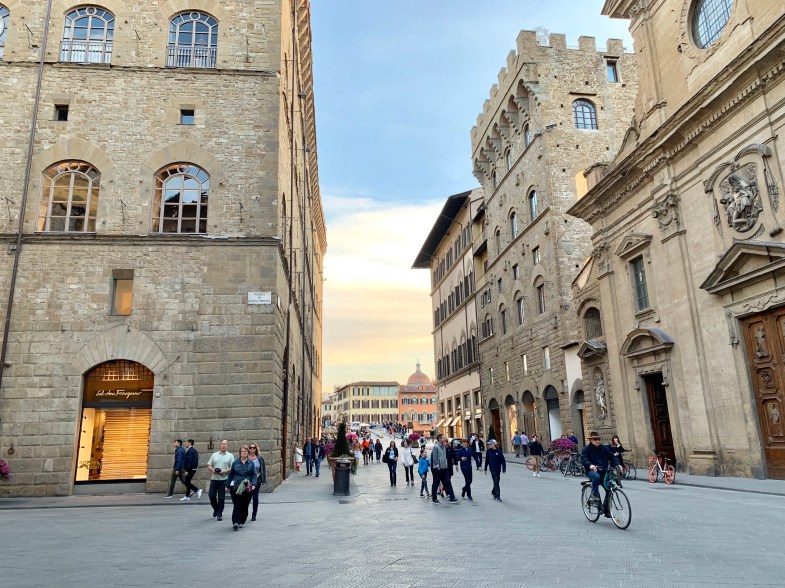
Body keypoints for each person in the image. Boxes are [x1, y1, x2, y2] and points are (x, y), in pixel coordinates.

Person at [581, 431, 620, 515]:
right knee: (596, 477)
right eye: (595, 439)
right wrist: (590, 465)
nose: (597, 441)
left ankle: (606, 509)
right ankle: (594, 494)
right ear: (591, 440)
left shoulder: (604, 448)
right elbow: (584, 459)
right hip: (591, 471)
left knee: (609, 488)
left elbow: (612, 457)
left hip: (603, 471)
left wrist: (618, 465)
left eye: (598, 439)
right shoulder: (586, 449)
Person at [227, 445, 256, 531]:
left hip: (247, 487)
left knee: (244, 505)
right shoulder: (235, 463)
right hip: (236, 487)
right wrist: (227, 486)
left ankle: (242, 521)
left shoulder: (251, 463)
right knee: (237, 505)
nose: (244, 453)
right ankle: (235, 522)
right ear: (240, 453)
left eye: (246, 451)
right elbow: (231, 475)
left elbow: (253, 475)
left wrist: (253, 484)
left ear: (248, 453)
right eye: (243, 451)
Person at [206, 439, 234, 521]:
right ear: (220, 445)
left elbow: (232, 467)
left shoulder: (230, 456)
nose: (223, 445)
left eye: (225, 444)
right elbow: (209, 465)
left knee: (221, 498)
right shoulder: (214, 455)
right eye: (222, 444)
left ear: (227, 446)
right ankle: (216, 509)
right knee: (211, 495)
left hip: (224, 479)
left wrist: (225, 471)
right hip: (214, 479)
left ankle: (219, 514)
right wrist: (213, 470)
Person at [430, 434, 459, 504]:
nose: (444, 439)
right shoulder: (436, 447)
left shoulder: (443, 447)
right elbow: (434, 458)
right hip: (438, 469)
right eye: (443, 438)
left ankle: (452, 497)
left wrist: (446, 465)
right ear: (439, 439)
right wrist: (437, 466)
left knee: (448, 482)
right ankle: (434, 499)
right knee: (436, 483)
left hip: (444, 468)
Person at [247, 442, 266, 522]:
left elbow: (262, 469)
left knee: (255, 498)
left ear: (256, 449)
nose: (252, 449)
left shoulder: (259, 458)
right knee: (247, 498)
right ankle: (244, 513)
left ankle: (254, 514)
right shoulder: (246, 458)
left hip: (257, 480)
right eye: (250, 447)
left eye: (253, 447)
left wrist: (260, 478)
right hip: (247, 481)